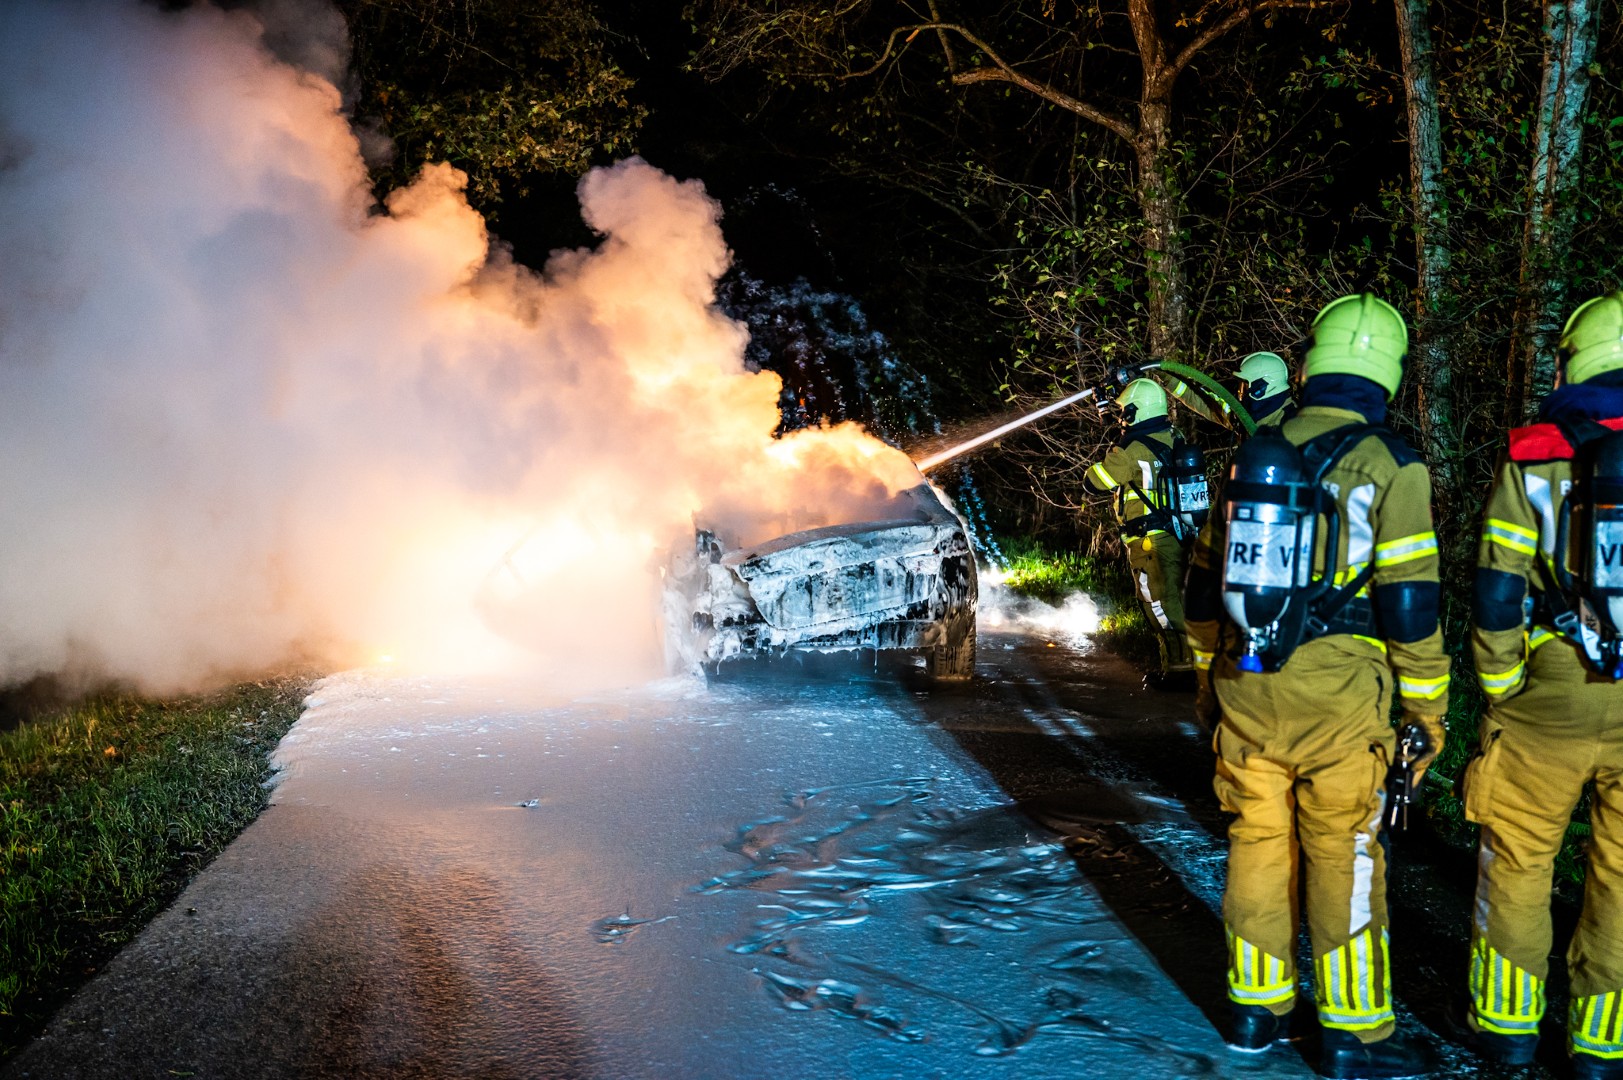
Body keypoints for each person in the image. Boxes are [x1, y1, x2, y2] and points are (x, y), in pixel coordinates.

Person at [1184, 293, 1450, 1078]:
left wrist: (1209, 670)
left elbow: (1203, 590)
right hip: (1341, 701)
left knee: (1255, 845)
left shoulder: (1251, 453)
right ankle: (1351, 1033)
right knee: (1346, 853)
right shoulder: (1391, 466)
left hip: (1247, 681)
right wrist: (1426, 708)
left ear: (1309, 366)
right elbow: (1410, 602)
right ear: (1387, 374)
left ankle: (1253, 1012)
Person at [1463, 290, 1623, 1078]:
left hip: (1548, 691)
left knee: (1519, 862)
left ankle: (1507, 1030)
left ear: (1570, 360)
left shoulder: (1536, 456)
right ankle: (1599, 1046)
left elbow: (1498, 587)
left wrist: (1499, 686)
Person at [1084, 378, 1194, 679]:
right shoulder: (1173, 435)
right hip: (1176, 534)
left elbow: (1095, 483)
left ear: (1136, 411)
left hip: (1149, 542)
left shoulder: (1131, 450)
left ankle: (1180, 669)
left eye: (1124, 412)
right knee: (1174, 597)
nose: (1122, 417)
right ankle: (1182, 664)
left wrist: (1111, 451)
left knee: (1159, 603)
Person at [1236, 350, 1296, 427]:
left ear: (1263, 387)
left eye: (1246, 385)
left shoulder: (1290, 421)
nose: (1242, 392)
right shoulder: (1257, 414)